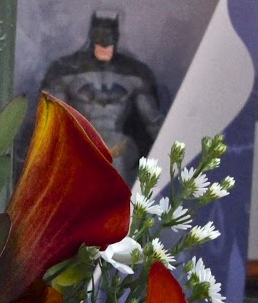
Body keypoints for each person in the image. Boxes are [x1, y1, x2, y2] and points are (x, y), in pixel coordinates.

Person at [34, 12, 166, 182]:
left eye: (108, 43)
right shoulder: (67, 71)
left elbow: (153, 121)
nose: (104, 47)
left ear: (116, 39)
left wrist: (168, 153)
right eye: (100, 42)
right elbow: (49, 121)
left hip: (120, 147)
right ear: (92, 38)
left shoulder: (134, 73)